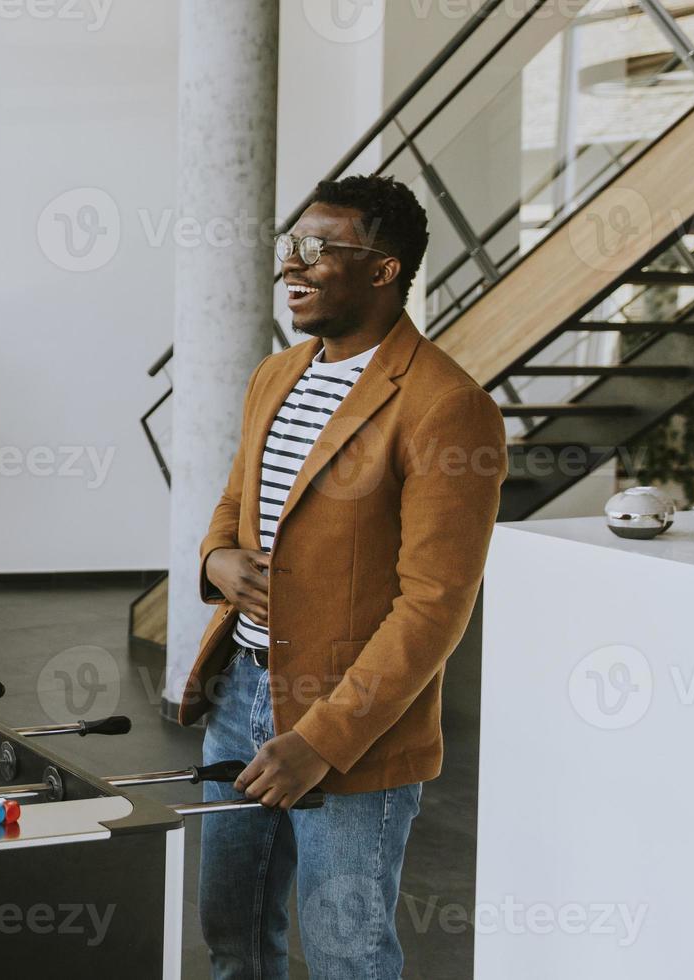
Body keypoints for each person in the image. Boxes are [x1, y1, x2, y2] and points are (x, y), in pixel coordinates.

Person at [180, 174, 506, 979]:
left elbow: (435, 608)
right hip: (241, 698)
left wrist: (319, 742)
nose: (291, 265)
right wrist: (218, 560)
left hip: (351, 729)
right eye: (289, 247)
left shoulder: (445, 406)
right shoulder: (276, 374)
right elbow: (236, 501)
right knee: (233, 934)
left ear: (384, 269)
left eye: (317, 250)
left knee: (345, 957)